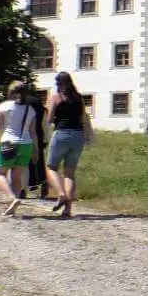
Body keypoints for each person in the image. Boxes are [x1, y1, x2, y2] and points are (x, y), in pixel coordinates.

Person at [45, 72, 93, 218]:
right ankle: (68, 209)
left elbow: (49, 118)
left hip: (61, 133)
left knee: (51, 167)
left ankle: (61, 194)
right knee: (70, 173)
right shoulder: (79, 98)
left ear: (59, 84)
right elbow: (83, 118)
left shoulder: (56, 98)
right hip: (78, 136)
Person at [0, 81, 37, 216]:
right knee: (16, 177)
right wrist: (35, 150)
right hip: (26, 144)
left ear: (10, 92)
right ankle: (14, 202)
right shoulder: (30, 110)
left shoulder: (4, 107)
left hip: (8, 142)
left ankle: (12, 198)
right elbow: (33, 133)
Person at [21, 89, 50, 199]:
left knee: (24, 164)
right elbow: (45, 125)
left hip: (24, 137)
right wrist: (46, 140)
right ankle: (43, 183)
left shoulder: (22, 105)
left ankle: (23, 188)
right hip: (38, 137)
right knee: (39, 163)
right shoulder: (41, 107)